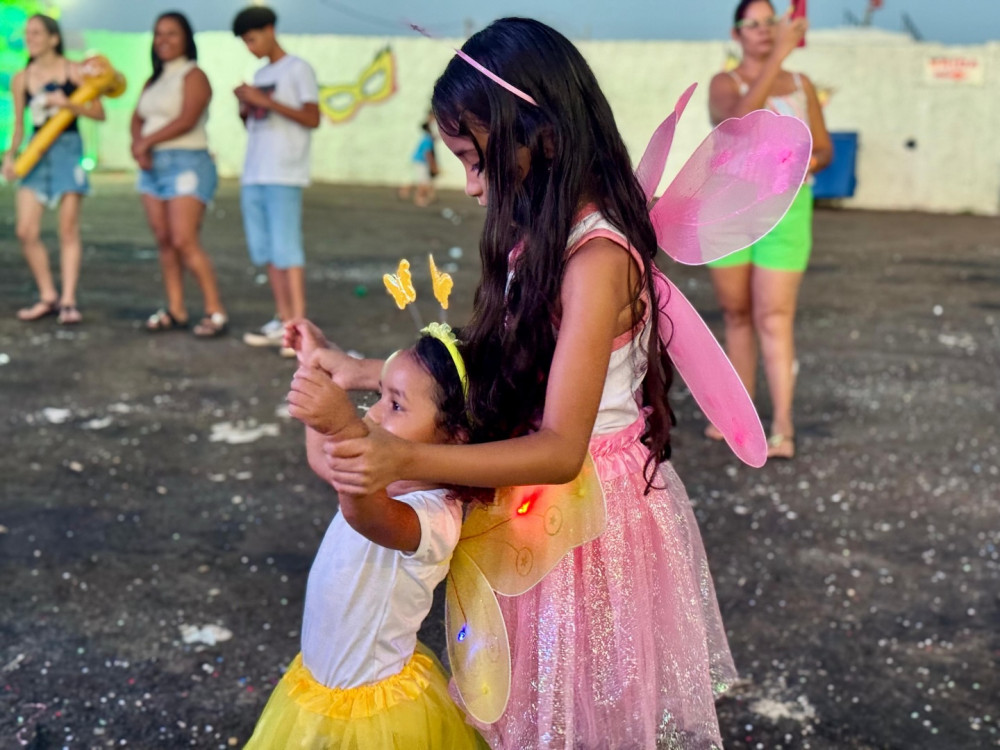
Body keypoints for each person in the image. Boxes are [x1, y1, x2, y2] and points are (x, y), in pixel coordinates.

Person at [290, 18, 736, 748]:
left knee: (575, 713)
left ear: (543, 136)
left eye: (477, 161)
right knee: (525, 703)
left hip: (586, 520)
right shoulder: (539, 232)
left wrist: (403, 456)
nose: (472, 186)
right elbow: (507, 356)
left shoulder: (596, 261)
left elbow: (560, 449)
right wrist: (363, 370)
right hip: (532, 507)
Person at [244, 325, 485, 749]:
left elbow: (365, 513)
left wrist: (341, 425)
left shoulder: (434, 515)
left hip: (373, 713)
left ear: (455, 437)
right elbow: (325, 460)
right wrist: (316, 370)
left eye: (395, 404)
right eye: (379, 396)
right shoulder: (390, 477)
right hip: (321, 685)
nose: (372, 414)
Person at [705, 0, 832, 459]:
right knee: (736, 314)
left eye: (770, 22)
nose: (762, 30)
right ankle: (740, 419)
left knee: (774, 317)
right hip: (730, 208)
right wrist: (778, 55)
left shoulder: (801, 84)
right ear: (736, 34)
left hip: (787, 209)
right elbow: (736, 125)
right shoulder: (725, 83)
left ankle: (782, 427)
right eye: (752, 23)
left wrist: (799, 163)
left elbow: (825, 149)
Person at [2, 14, 105, 325]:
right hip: (36, 152)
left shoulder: (74, 71)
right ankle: (48, 294)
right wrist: (10, 156)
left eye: (36, 32)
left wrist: (68, 104)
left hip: (67, 150)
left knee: (68, 230)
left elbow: (98, 112)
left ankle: (68, 300)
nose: (30, 38)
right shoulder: (22, 78)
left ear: (53, 38)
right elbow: (19, 126)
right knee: (25, 230)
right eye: (28, 33)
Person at [132, 12, 228, 337]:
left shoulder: (194, 75)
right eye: (159, 33)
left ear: (186, 38)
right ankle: (176, 309)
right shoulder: (153, 80)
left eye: (172, 33)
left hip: (187, 163)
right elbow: (137, 117)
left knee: (184, 240)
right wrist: (138, 145)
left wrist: (147, 141)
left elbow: (187, 119)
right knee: (164, 240)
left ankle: (215, 310)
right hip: (152, 166)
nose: (164, 40)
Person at [232, 5, 319, 357]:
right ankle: (283, 322)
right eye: (245, 42)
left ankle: (299, 328)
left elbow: (312, 117)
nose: (250, 47)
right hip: (254, 171)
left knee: (287, 250)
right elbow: (255, 124)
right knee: (268, 251)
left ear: (270, 30)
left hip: (283, 172)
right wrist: (246, 107)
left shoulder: (298, 69)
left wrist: (263, 100)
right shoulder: (260, 72)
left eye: (252, 39)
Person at [398, 110, 439, 207]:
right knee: (423, 182)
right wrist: (432, 165)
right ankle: (419, 198)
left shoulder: (426, 138)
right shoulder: (428, 139)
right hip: (421, 161)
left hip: (419, 161)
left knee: (422, 179)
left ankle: (404, 191)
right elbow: (427, 154)